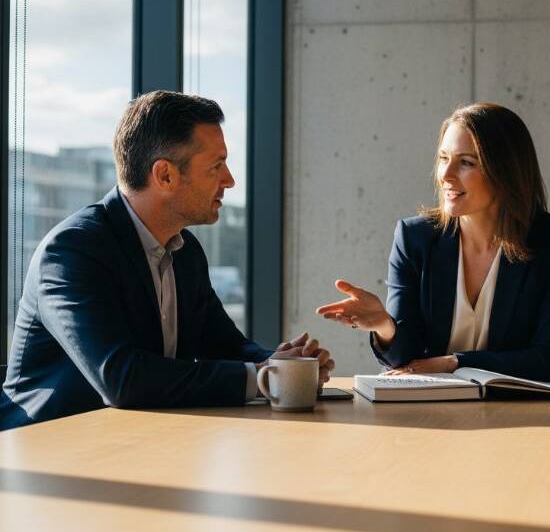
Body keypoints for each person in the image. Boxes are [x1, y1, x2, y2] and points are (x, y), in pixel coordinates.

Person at [0, 91, 334, 431]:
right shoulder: (73, 250)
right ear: (165, 176)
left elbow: (224, 344)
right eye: (216, 166)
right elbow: (121, 377)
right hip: (47, 455)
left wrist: (282, 364)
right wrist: (266, 378)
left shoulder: (185, 250)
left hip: (136, 445)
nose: (230, 180)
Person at [316, 103, 550, 383]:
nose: (446, 175)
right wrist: (384, 325)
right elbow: (406, 361)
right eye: (443, 158)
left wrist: (455, 362)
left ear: (505, 171)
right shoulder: (414, 238)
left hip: (519, 411)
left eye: (466, 162)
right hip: (432, 409)